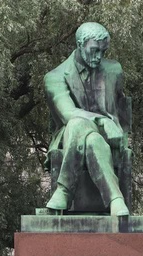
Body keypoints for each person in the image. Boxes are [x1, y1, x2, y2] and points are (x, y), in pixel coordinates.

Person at [44, 22, 129, 216]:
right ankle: (115, 198)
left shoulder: (114, 71)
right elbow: (68, 113)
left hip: (109, 137)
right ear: (80, 44)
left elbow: (122, 110)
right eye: (94, 50)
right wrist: (102, 121)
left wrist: (119, 130)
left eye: (103, 51)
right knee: (81, 128)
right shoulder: (54, 77)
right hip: (69, 137)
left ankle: (64, 190)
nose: (98, 57)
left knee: (90, 136)